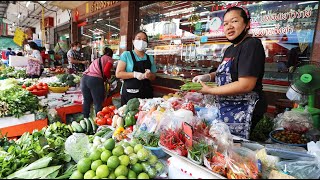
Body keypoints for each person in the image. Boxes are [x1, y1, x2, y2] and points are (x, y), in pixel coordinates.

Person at [192, 6, 267, 139]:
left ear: (247, 24)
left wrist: (210, 90)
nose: (229, 26)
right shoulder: (230, 49)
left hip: (243, 111)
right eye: (225, 23)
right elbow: (224, 72)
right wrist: (208, 76)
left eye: (234, 21)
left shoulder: (251, 45)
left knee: (236, 148)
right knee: (224, 146)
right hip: (227, 108)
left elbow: (246, 85)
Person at [116, 31, 157, 106]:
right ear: (133, 41)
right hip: (130, 93)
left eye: (144, 40)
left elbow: (154, 76)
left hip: (146, 94)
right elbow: (118, 74)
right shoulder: (126, 55)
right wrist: (135, 74)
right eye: (139, 39)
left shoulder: (150, 57)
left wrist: (149, 75)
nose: (141, 41)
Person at [81, 47, 114, 118]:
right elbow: (106, 71)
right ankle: (99, 122)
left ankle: (85, 118)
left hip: (84, 78)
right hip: (94, 80)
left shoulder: (97, 59)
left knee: (86, 100)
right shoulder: (109, 59)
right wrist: (109, 78)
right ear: (111, 54)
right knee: (97, 103)